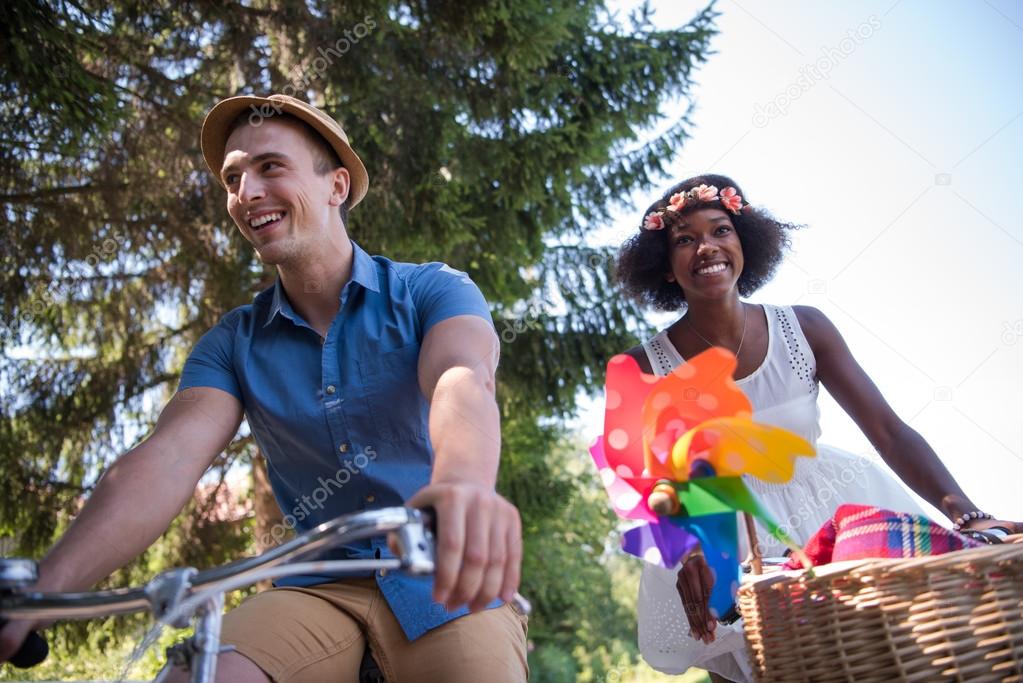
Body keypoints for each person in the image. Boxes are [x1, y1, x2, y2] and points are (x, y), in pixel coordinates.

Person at [0, 94, 528, 682]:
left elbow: (461, 377)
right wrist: (43, 589)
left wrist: (461, 488)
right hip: (315, 589)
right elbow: (168, 458)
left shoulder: (434, 291)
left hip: (444, 577)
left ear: (337, 186)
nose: (245, 192)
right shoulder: (231, 344)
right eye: (233, 178)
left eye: (270, 167)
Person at [614, 174, 1020, 683]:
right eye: (684, 240)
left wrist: (966, 512)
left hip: (834, 520)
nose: (706, 248)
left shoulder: (804, 329)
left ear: (745, 244)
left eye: (721, 231)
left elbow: (888, 431)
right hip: (724, 545)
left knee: (884, 663)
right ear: (666, 268)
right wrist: (688, 549)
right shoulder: (645, 367)